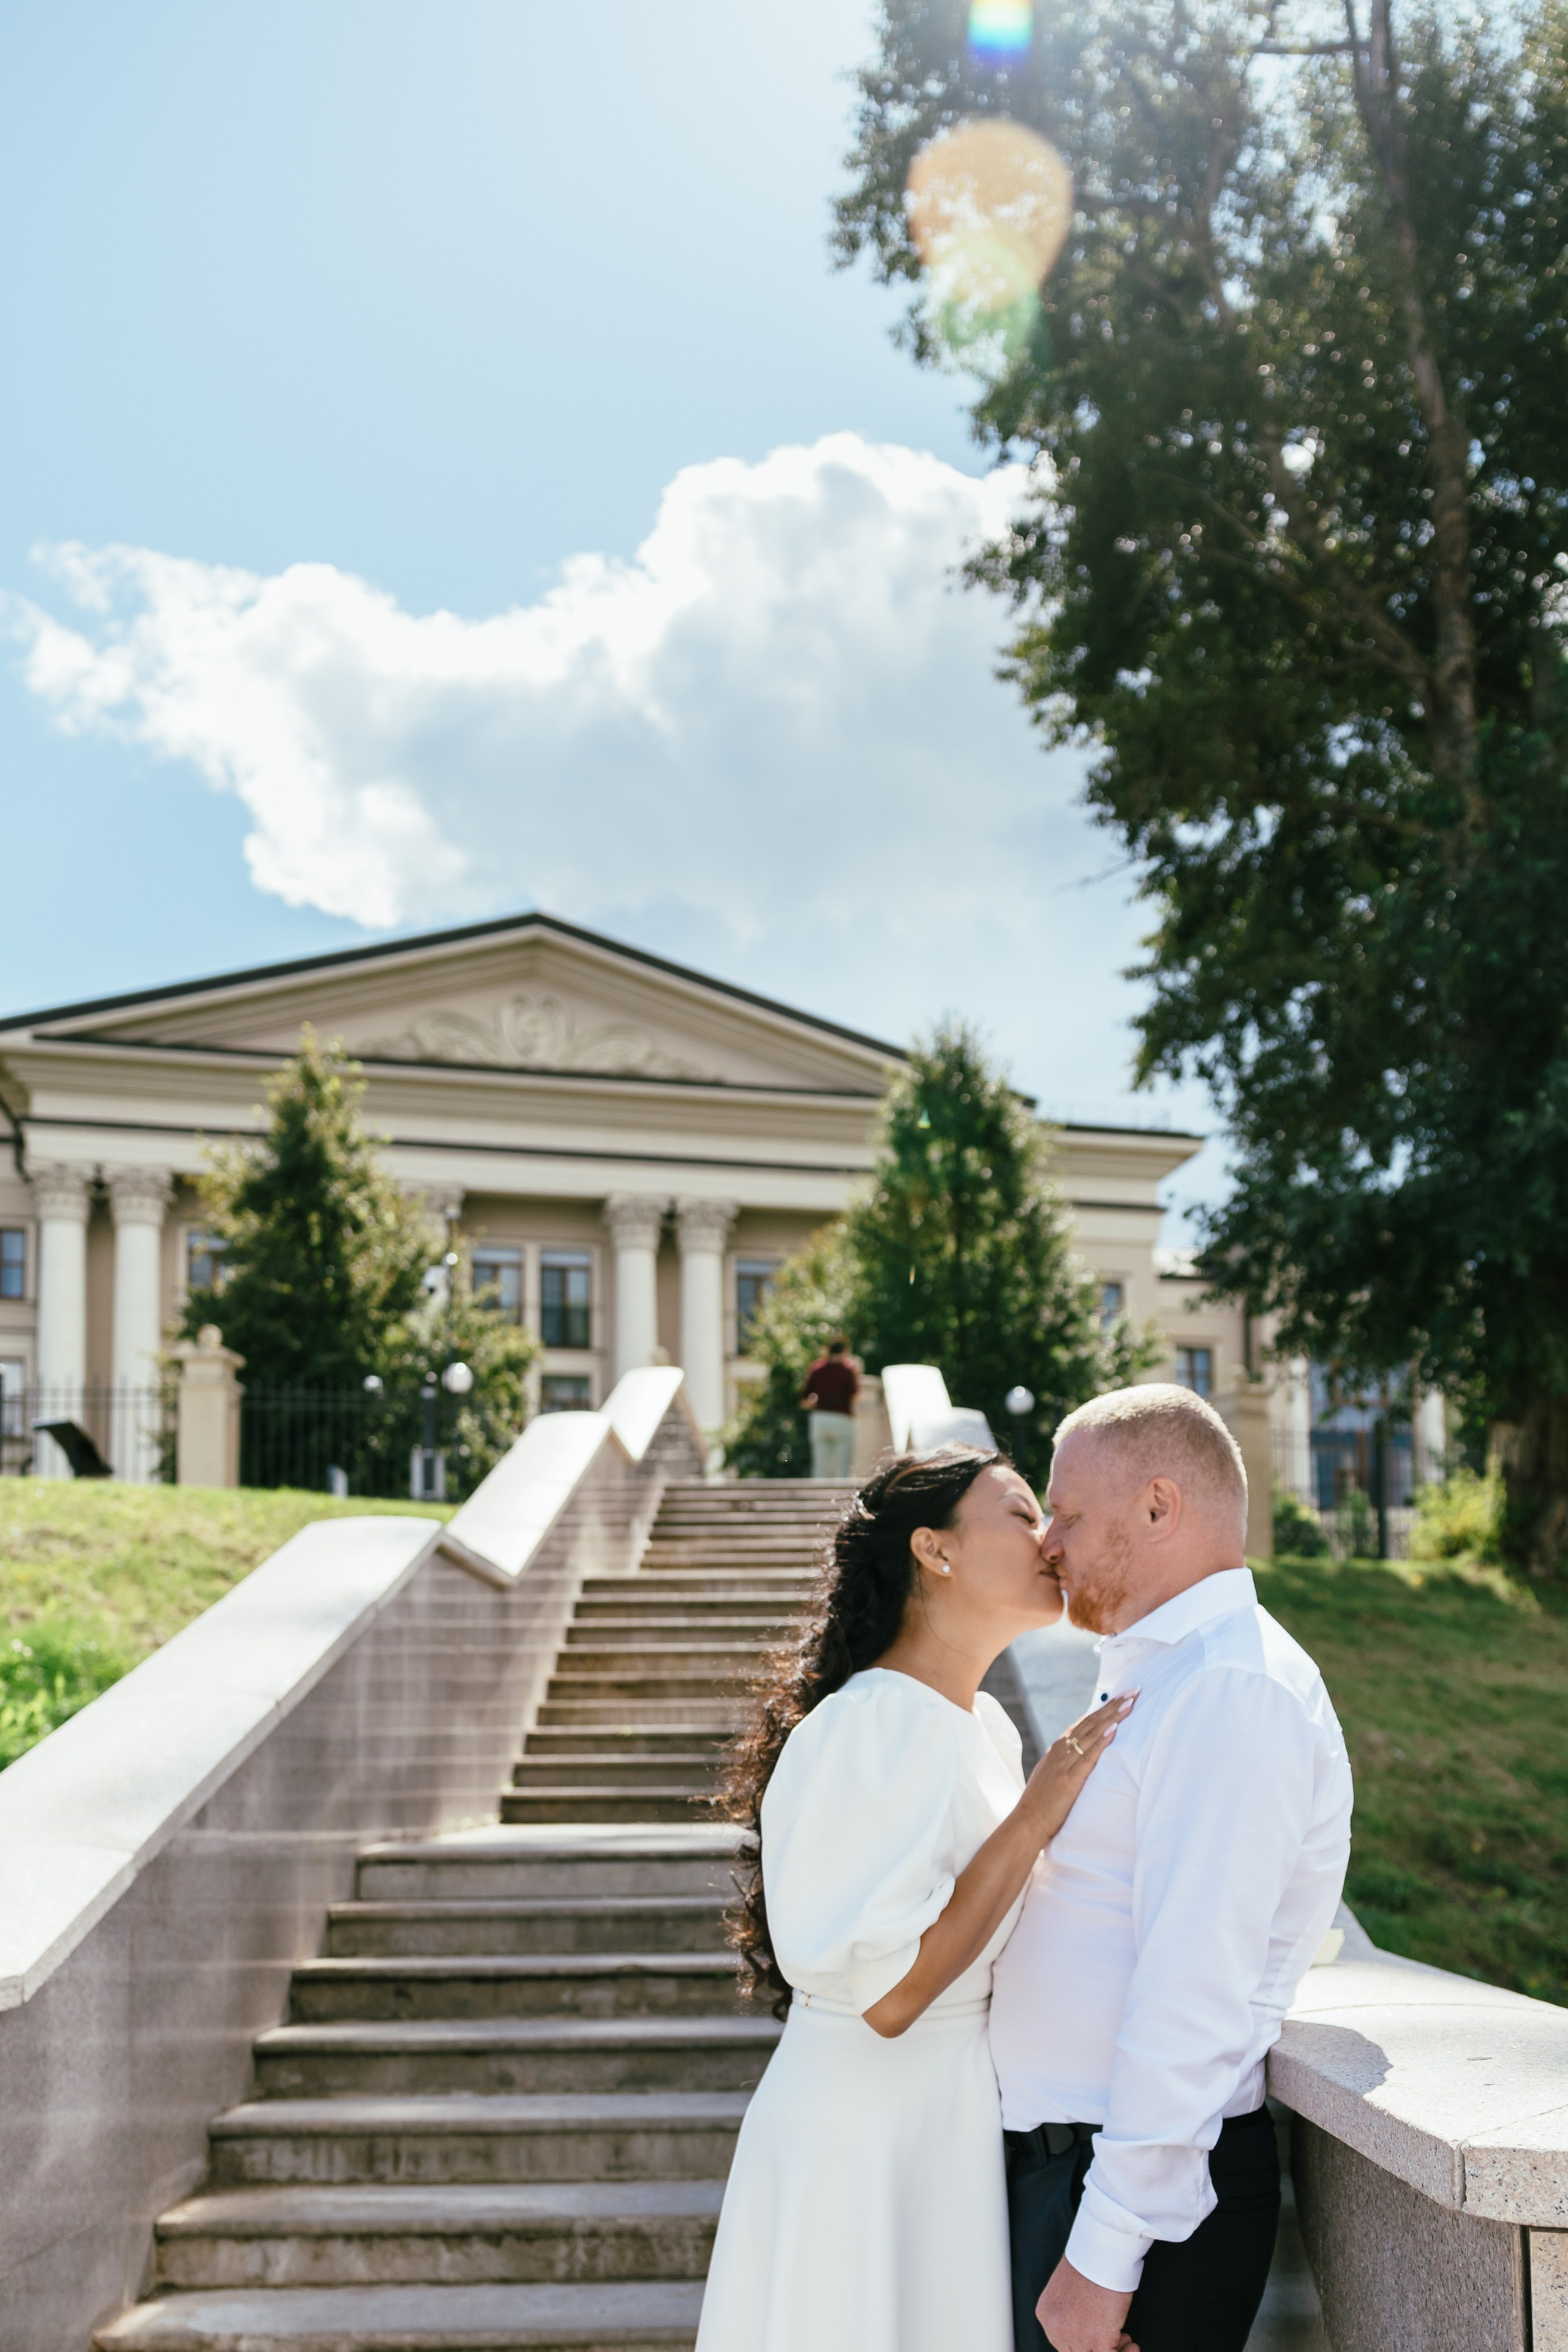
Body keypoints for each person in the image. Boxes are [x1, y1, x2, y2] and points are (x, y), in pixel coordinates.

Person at [695, 1447, 1134, 2352]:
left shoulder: (983, 1726)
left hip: (945, 2126)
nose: (1049, 1537)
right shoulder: (870, 1724)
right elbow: (892, 1997)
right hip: (863, 2136)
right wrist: (1036, 1816)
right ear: (934, 1551)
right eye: (1020, 1514)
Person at [988, 1384, 1354, 2352]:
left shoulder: (1230, 1687)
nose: (1048, 1543)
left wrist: (1101, 2261)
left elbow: (1194, 1994)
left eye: (1066, 1513)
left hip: (1132, 2219)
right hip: (1075, 2179)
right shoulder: (1163, 1671)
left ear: (1159, 1507)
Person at [801, 1334, 860, 1479]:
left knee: (820, 1464)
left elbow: (804, 1399)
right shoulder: (848, 1370)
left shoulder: (816, 1368)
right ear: (845, 1351)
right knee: (843, 1465)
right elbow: (855, 1395)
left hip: (820, 1417)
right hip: (842, 1417)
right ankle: (842, 1497)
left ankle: (817, 1497)